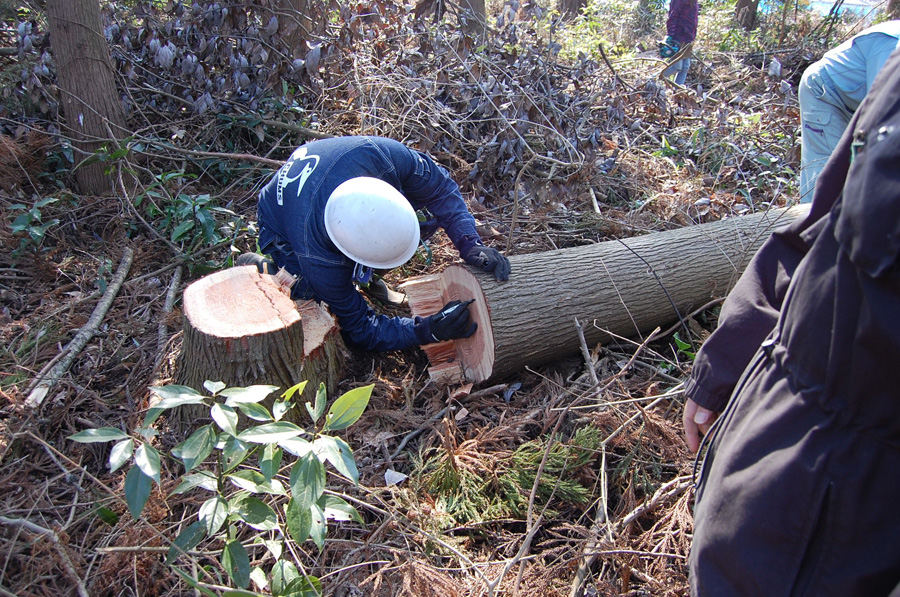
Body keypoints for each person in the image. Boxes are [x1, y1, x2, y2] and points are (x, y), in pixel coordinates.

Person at [683, 48, 900, 595]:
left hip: (853, 518)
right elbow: (814, 230)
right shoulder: (896, 74)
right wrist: (727, 358)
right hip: (775, 451)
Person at [238, 135, 511, 352]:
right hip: (280, 222)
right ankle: (269, 269)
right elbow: (360, 330)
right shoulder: (318, 255)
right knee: (313, 300)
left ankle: (365, 278)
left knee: (428, 217)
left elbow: (441, 189)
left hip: (328, 182)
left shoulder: (385, 157)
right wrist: (428, 331)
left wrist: (469, 243)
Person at [797, 20, 900, 202]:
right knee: (827, 176)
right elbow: (881, 114)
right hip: (824, 94)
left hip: (856, 102)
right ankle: (809, 226)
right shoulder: (892, 46)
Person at [659, 0, 699, 85]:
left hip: (688, 37)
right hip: (679, 36)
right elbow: (673, 17)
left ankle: (678, 92)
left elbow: (694, 19)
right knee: (677, 67)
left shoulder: (694, 1)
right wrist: (671, 35)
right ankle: (654, 78)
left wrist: (693, 36)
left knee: (685, 67)